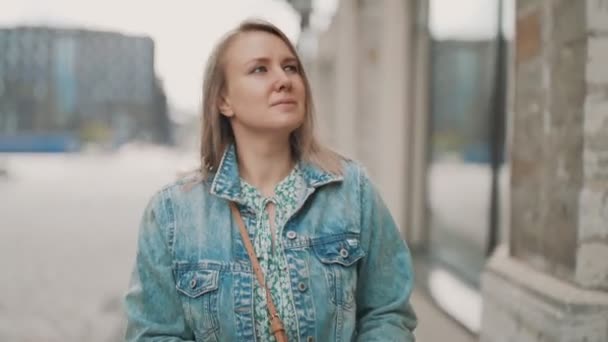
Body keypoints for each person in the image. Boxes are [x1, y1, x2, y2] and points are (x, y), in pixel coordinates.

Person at [124, 19, 417, 342]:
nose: (284, 80)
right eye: (260, 70)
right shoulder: (172, 214)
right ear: (224, 101)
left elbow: (388, 312)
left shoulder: (352, 190)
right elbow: (154, 333)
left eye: (290, 67)